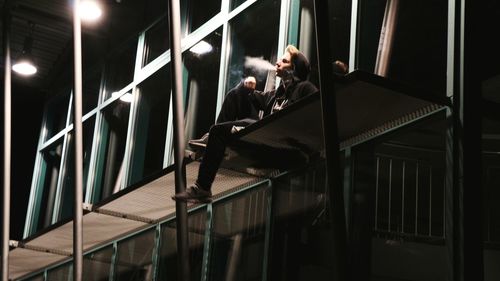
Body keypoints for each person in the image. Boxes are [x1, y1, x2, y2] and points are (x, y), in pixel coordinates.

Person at [173, 45, 319, 203]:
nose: (277, 63)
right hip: (264, 139)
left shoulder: (305, 88)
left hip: (282, 145)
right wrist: (246, 86)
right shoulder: (277, 94)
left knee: (219, 131)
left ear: (294, 69)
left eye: (284, 61)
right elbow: (253, 98)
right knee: (237, 93)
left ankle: (202, 187)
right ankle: (214, 141)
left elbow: (316, 113)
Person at [188, 76, 259, 148]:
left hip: (260, 126)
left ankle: (215, 137)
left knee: (236, 94)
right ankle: (214, 136)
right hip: (255, 124)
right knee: (234, 94)